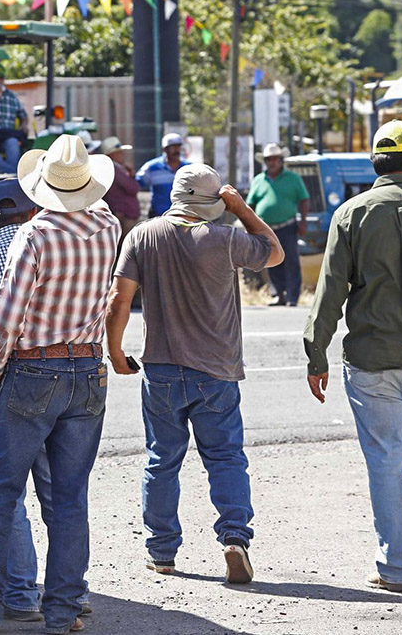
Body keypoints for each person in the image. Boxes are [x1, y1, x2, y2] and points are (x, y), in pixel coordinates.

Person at [0, 135, 120, 635]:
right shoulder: (110, 226)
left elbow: (5, 323)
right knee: (70, 498)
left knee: (0, 494)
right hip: (89, 371)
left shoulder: (34, 236)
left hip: (32, 370)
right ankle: (65, 611)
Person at [305, 120, 402, 593]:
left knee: (385, 458)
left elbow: (329, 292)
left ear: (376, 165)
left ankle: (396, 568)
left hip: (373, 360)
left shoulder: (350, 214)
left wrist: (317, 355)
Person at [107, 164, 282, 585]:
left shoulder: (142, 236)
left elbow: (119, 299)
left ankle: (162, 552)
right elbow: (274, 252)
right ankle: (234, 538)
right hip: (216, 370)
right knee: (224, 458)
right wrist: (241, 208)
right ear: (214, 202)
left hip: (162, 369)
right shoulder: (226, 239)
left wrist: (114, 351)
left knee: (161, 460)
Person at [247, 143, 310, 307]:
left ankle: (292, 296)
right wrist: (251, 225)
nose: (271, 162)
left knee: (291, 261)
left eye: (274, 158)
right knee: (270, 261)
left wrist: (303, 222)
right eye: (268, 159)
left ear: (281, 160)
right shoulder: (258, 180)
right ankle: (277, 294)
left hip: (287, 226)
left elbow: (304, 199)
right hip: (266, 228)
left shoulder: (293, 178)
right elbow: (251, 204)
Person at [99, 136, 141, 247]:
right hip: (124, 217)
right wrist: (131, 176)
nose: (122, 154)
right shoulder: (114, 170)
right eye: (118, 153)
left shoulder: (116, 169)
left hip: (124, 216)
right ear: (111, 154)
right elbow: (133, 188)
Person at [136, 133, 189, 217]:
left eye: (178, 146)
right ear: (165, 149)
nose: (176, 150)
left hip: (183, 217)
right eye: (173, 147)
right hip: (159, 217)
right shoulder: (151, 167)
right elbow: (135, 185)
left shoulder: (189, 168)